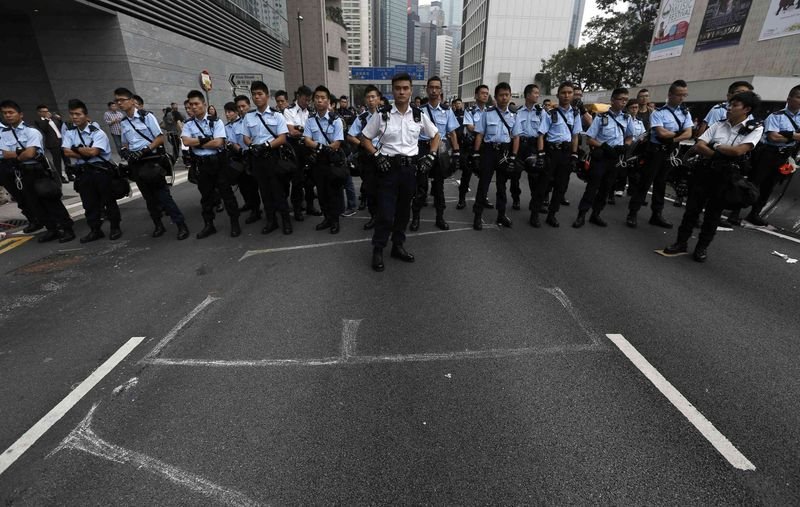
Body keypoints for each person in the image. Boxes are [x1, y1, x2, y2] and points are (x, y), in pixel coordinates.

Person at [663, 92, 763, 262]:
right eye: (729, 105)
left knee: (713, 214)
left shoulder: (755, 128)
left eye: (734, 105)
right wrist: (720, 151)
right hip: (704, 172)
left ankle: (701, 248)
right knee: (691, 210)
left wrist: (714, 146)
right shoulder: (719, 124)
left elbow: (738, 151)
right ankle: (681, 242)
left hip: (726, 177)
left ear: (746, 109)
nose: (729, 108)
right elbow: (699, 145)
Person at [360, 72, 440, 272]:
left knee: (404, 212)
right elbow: (365, 138)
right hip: (388, 170)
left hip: (409, 170)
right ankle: (378, 249)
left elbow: (436, 135)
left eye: (405, 88)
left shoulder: (418, 115)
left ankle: (397, 245)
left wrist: (431, 155)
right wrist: (377, 155)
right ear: (392, 90)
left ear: (411, 91)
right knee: (385, 213)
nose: (402, 91)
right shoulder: (383, 114)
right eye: (398, 88)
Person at [115, 87, 189, 240]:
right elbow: (124, 143)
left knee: (163, 196)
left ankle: (181, 224)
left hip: (151, 161)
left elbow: (160, 138)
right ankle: (158, 225)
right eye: (117, 101)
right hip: (136, 164)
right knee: (148, 198)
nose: (119, 103)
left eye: (122, 100)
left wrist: (144, 150)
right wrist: (125, 151)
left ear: (131, 101)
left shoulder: (146, 117)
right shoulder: (123, 123)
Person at [1, 100, 75, 243]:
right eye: (5, 113)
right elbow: (5, 154)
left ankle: (67, 228)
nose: (8, 115)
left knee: (50, 200)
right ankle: (51, 229)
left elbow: (30, 154)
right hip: (21, 173)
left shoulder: (32, 131)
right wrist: (21, 153)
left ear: (20, 114)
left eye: (11, 112)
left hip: (37, 171)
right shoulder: (4, 134)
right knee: (34, 203)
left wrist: (17, 154)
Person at [627, 79, 693, 229]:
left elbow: (689, 133)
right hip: (655, 152)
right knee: (644, 183)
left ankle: (656, 214)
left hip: (669, 153)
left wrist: (673, 137)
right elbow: (660, 132)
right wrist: (678, 133)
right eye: (679, 95)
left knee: (661, 184)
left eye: (685, 95)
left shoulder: (685, 113)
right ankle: (632, 212)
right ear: (670, 94)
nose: (682, 98)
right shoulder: (659, 113)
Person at [739, 84, 800, 226]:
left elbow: (783, 137)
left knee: (769, 186)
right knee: (753, 182)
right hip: (768, 154)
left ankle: (754, 214)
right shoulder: (776, 116)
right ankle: (735, 212)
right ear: (789, 98)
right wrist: (794, 136)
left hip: (784, 156)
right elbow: (773, 137)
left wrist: (787, 135)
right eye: (798, 97)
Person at [572, 88, 634, 228]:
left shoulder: (627, 118)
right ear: (612, 100)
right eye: (620, 99)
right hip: (601, 158)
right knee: (592, 187)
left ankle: (596, 214)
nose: (623, 102)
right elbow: (589, 139)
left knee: (606, 188)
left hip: (615, 160)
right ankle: (581, 214)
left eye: (626, 100)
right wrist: (604, 146)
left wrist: (625, 146)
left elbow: (630, 136)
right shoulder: (601, 117)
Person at [62, 99, 122, 242]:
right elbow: (66, 152)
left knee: (108, 201)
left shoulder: (98, 133)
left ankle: (115, 227)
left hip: (100, 171)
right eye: (72, 114)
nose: (74, 117)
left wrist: (75, 149)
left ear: (86, 116)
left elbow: (94, 152)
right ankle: (95, 230)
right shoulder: (70, 133)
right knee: (89, 203)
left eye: (78, 114)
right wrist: (82, 151)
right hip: (83, 173)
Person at [181, 90, 239, 238]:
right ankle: (209, 225)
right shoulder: (188, 124)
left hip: (218, 164)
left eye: (196, 104)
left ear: (204, 104)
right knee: (206, 197)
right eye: (191, 104)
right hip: (201, 165)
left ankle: (234, 223)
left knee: (227, 194)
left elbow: (219, 142)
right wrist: (205, 141)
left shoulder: (216, 121)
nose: (193, 107)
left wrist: (198, 143)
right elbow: (186, 141)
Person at [242, 81, 292, 235]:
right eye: (254, 94)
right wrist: (252, 146)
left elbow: (283, 138)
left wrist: (266, 146)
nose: (256, 97)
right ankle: (271, 221)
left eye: (260, 94)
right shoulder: (249, 117)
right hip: (257, 158)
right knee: (264, 191)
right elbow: (245, 137)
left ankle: (286, 221)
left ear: (267, 96)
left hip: (273, 157)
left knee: (277, 191)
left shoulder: (277, 116)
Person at [413, 76, 460, 231]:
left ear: (441, 90)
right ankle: (416, 218)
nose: (434, 90)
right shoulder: (419, 111)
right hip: (423, 149)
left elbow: (452, 133)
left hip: (441, 150)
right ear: (427, 89)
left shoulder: (447, 111)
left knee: (439, 186)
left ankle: (440, 217)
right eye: (431, 87)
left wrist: (456, 153)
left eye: (437, 87)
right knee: (421, 186)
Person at [534, 81, 583, 227]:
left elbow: (575, 136)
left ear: (573, 95)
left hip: (566, 154)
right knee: (543, 184)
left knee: (561, 186)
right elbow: (541, 134)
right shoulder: (551, 113)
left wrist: (574, 155)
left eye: (569, 93)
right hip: (551, 152)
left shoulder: (575, 114)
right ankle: (535, 213)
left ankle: (552, 214)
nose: (566, 95)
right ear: (558, 95)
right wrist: (541, 154)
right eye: (563, 93)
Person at [472, 82, 516, 230]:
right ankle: (477, 216)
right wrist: (476, 154)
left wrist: (513, 157)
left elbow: (516, 138)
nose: (504, 98)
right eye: (501, 95)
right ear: (496, 97)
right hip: (489, 152)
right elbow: (480, 134)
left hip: (504, 152)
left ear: (510, 96)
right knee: (483, 185)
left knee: (502, 186)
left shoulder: (513, 116)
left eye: (507, 95)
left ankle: (501, 214)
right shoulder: (487, 114)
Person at [303, 86, 347, 234]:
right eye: (317, 98)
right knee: (321, 192)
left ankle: (335, 220)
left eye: (323, 98)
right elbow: (307, 141)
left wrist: (320, 147)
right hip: (318, 162)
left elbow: (337, 143)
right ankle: (327, 218)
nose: (319, 100)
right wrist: (321, 147)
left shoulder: (336, 120)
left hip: (332, 161)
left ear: (328, 101)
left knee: (333, 192)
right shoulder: (310, 120)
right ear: (314, 100)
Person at [347, 84, 382, 230]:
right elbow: (350, 136)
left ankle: (386, 217)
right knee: (370, 189)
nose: (370, 100)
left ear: (379, 99)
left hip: (384, 156)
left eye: (373, 97)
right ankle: (374, 217)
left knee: (386, 188)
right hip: (368, 158)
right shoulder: (361, 118)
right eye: (368, 97)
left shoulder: (387, 115)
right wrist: (363, 144)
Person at [511, 84, 547, 224]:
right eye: (535, 93)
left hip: (533, 146)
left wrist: (541, 152)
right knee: (515, 175)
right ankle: (516, 198)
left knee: (535, 177)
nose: (538, 95)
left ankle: (535, 207)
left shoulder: (541, 112)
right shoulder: (517, 112)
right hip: (520, 145)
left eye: (539, 93)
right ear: (527, 95)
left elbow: (542, 134)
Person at [284, 85, 318, 220]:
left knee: (310, 180)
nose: (307, 103)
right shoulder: (289, 111)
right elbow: (292, 132)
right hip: (295, 149)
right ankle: (297, 209)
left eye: (309, 100)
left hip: (308, 148)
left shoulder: (310, 112)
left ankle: (310, 206)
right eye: (305, 100)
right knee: (297, 181)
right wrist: (304, 131)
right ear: (298, 97)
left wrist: (301, 130)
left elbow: (313, 131)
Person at [458, 84, 492, 210]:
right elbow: (470, 127)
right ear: (476, 95)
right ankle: (462, 198)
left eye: (486, 93)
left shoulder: (490, 111)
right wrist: (484, 130)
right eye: (482, 93)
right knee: (466, 174)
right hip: (471, 146)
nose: (485, 95)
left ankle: (484, 197)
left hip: (485, 146)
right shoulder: (470, 110)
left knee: (485, 174)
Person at [230, 96, 262, 224]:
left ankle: (270, 208)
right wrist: (240, 150)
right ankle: (255, 209)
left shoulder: (257, 119)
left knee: (262, 185)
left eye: (243, 106)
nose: (241, 109)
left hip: (257, 155)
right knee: (247, 186)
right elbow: (233, 141)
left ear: (249, 105)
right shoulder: (235, 125)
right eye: (238, 107)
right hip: (243, 157)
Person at [34, 105, 68, 183]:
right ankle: (60, 177)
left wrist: (59, 119)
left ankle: (69, 174)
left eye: (47, 111)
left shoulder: (53, 119)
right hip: (53, 143)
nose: (47, 113)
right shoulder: (39, 121)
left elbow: (61, 127)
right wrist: (47, 119)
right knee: (57, 161)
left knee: (67, 158)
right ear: (39, 113)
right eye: (44, 111)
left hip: (62, 141)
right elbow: (44, 129)